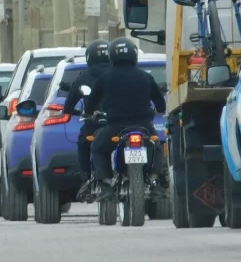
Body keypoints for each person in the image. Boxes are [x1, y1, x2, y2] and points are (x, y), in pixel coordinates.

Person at [85, 37, 167, 201]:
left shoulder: (105, 78)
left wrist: (89, 112)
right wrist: (156, 110)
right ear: (134, 54)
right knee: (157, 145)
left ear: (111, 56)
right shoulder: (146, 77)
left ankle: (106, 184)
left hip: (116, 127)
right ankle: (156, 181)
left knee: (97, 147)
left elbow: (90, 105)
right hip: (144, 126)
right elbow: (161, 105)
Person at [62, 39, 111, 200]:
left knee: (83, 144)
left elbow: (69, 104)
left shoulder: (84, 77)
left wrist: (72, 111)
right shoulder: (119, 73)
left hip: (94, 124)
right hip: (120, 122)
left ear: (89, 57)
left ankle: (86, 179)